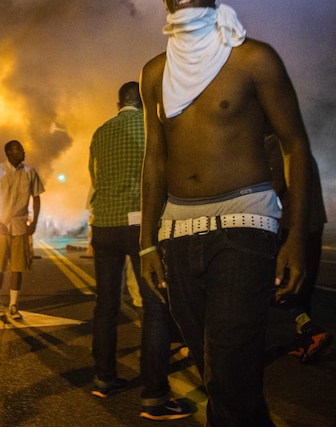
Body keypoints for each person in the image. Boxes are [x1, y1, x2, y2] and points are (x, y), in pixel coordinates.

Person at [139, 0, 311, 426]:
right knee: (215, 373)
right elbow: (155, 161)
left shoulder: (253, 58)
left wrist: (295, 237)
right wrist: (147, 244)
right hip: (177, 233)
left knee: (231, 373)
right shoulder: (155, 72)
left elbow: (296, 146)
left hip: (244, 224)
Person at [88, 82, 192, 420]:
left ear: (117, 102)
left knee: (105, 303)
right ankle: (154, 397)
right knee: (154, 306)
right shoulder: (152, 127)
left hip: (104, 223)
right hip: (140, 226)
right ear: (144, 103)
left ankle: (104, 379)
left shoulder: (100, 132)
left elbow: (95, 178)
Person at [265, 134, 333, 363]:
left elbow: (274, 188)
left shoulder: (277, 144)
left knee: (281, 287)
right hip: (313, 224)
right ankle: (303, 340)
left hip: (291, 228)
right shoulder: (298, 146)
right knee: (301, 286)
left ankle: (311, 332)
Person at [0, 140, 45, 320]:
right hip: (0, 227)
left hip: (20, 226)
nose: (23, 151)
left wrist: (34, 223)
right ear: (9, 153)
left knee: (18, 267)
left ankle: (13, 305)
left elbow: (37, 198)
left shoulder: (30, 172)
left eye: (22, 148)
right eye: (18, 149)